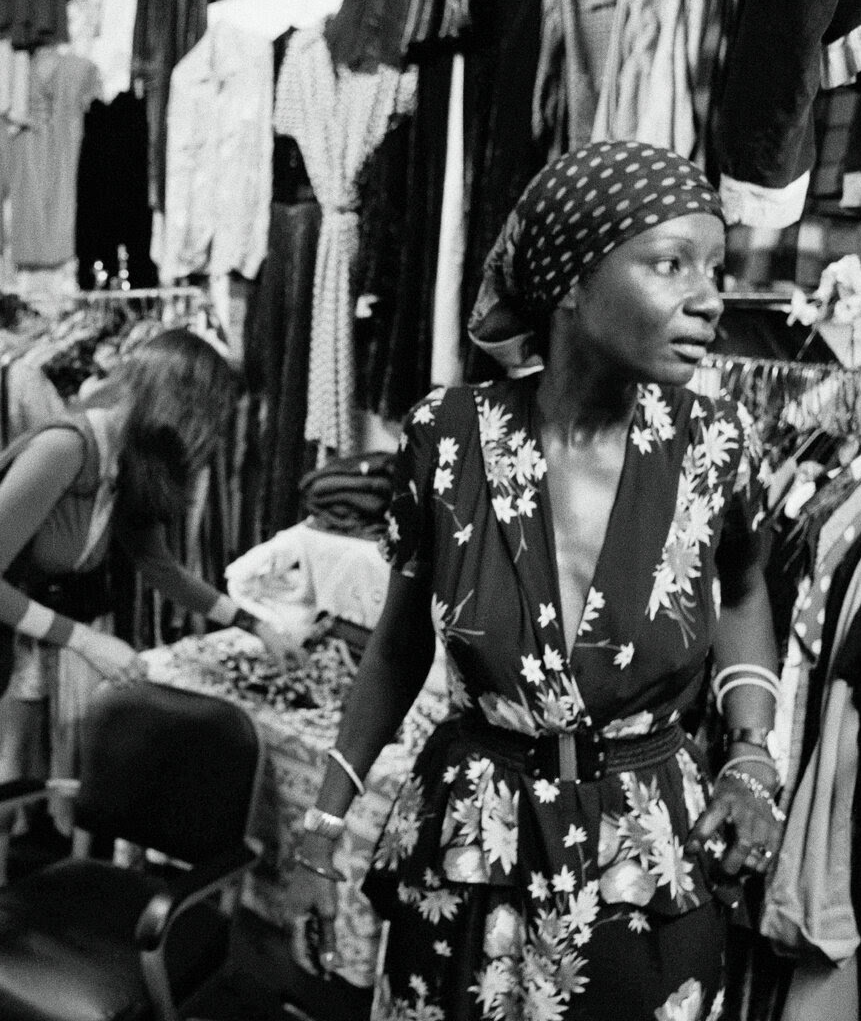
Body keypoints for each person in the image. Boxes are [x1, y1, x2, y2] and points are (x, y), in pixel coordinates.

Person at [295, 141, 784, 1021]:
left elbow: (743, 590)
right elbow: (401, 643)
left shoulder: (715, 446)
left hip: (644, 854)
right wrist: (322, 826)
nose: (710, 298)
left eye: (716, 268)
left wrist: (751, 754)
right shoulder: (444, 438)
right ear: (570, 281)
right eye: (671, 265)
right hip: (474, 843)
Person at [0, 328, 303, 879]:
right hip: (13, 627)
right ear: (180, 406)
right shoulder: (66, 447)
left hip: (29, 623)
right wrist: (86, 639)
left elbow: (161, 568)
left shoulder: (128, 463)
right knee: (6, 774)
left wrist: (255, 623)